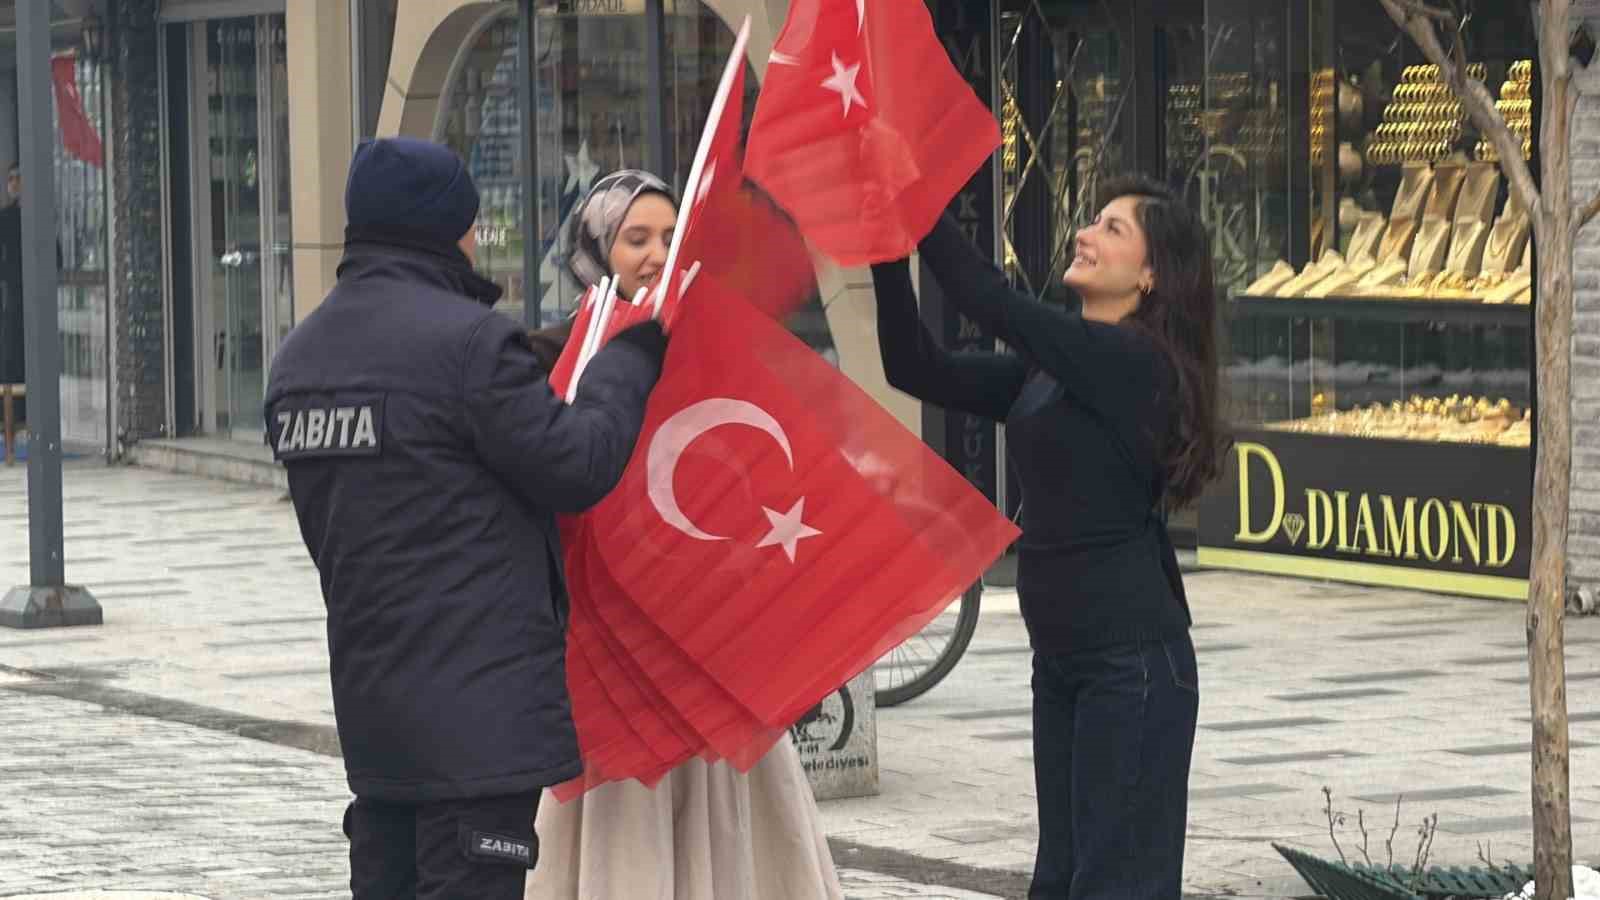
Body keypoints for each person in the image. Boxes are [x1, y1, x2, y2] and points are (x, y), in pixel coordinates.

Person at [264, 138, 668, 900]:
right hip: (480, 720)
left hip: (375, 711)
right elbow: (577, 464)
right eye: (473, 224)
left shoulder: (297, 361)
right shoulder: (470, 343)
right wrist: (627, 359)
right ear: (449, 228)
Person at [870, 174, 1227, 899]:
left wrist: (906, 193)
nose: (1085, 235)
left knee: (1114, 886)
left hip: (1130, 667)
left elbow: (988, 299)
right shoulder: (1053, 372)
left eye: (1112, 229)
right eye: (1092, 221)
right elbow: (914, 367)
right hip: (1062, 661)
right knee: (1059, 881)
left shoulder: (1135, 365)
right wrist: (880, 249)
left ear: (1152, 275)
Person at [523, 169, 843, 900]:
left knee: (726, 824)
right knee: (623, 824)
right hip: (610, 647)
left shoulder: (718, 345)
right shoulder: (548, 360)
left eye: (671, 237)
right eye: (636, 238)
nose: (657, 255)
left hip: (710, 637)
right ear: (595, 249)